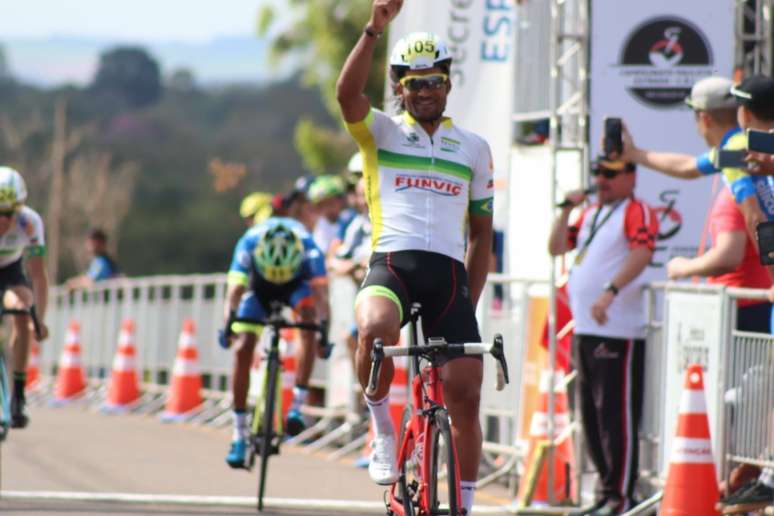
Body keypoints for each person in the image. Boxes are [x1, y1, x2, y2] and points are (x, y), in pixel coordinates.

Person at [336, 1, 494, 512]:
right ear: (399, 87)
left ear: (447, 84)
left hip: (449, 279)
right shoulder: (380, 134)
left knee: (467, 394)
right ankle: (381, 423)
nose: (425, 92)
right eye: (414, 83)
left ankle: (464, 504)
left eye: (434, 82)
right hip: (393, 266)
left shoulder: (472, 148)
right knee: (375, 328)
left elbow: (482, 235)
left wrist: (469, 300)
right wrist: (373, 29)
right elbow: (346, 94)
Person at [548, 157, 658, 515]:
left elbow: (642, 253)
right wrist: (566, 208)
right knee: (592, 419)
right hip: (586, 329)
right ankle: (604, 494)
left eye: (610, 173)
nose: (602, 179)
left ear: (630, 176)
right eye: (598, 172)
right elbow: (555, 247)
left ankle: (620, 497)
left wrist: (610, 291)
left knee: (615, 417)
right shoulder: (592, 212)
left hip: (618, 330)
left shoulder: (637, 209)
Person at [621, 76, 773, 262]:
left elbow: (755, 217)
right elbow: (689, 167)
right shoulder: (740, 147)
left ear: (704, 118)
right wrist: (634, 154)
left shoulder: (736, 151)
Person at [220, 217, 329, 468]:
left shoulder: (311, 251)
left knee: (309, 321)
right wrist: (227, 326)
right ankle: (238, 433)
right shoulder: (248, 245)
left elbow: (323, 299)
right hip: (259, 289)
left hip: (296, 287)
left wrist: (323, 333)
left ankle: (297, 407)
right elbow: (234, 293)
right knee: (243, 345)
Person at [667, 186, 772, 332]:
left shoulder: (737, 192)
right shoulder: (757, 190)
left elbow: (728, 257)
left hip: (743, 307)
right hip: (756, 303)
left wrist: (681, 268)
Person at [0, 167, 50, 429]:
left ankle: (18, 395)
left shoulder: (29, 222)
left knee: (23, 312)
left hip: (11, 268)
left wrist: (39, 319)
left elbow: (38, 276)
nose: (3, 220)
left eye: (9, 212)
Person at [307, 175, 347, 255]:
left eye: (330, 203)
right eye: (320, 206)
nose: (326, 209)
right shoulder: (320, 224)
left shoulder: (348, 219)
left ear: (340, 200)